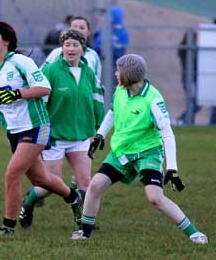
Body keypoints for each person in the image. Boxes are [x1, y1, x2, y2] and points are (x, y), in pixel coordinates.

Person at [71, 54, 208, 244]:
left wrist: (172, 168)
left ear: (129, 75)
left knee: (155, 198)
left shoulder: (153, 99)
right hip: (121, 151)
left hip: (148, 152)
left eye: (119, 71)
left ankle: (194, 233)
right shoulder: (121, 90)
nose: (115, 73)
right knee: (95, 186)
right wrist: (100, 134)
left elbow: (167, 134)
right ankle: (85, 232)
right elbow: (113, 111)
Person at [0, 21, 82, 236]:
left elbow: (44, 88)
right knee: (40, 180)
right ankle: (74, 197)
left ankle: (8, 227)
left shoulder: (21, 62)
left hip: (35, 127)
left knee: (12, 175)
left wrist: (17, 94)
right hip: (14, 131)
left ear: (7, 41)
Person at [19, 29, 105, 229]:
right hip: (55, 136)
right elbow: (40, 103)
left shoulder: (88, 72)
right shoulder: (51, 71)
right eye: (67, 45)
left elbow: (97, 101)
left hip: (81, 135)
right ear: (61, 48)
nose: (71, 49)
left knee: (86, 183)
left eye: (75, 45)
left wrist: (98, 130)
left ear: (83, 49)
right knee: (50, 184)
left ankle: (86, 222)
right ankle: (28, 204)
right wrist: (41, 130)